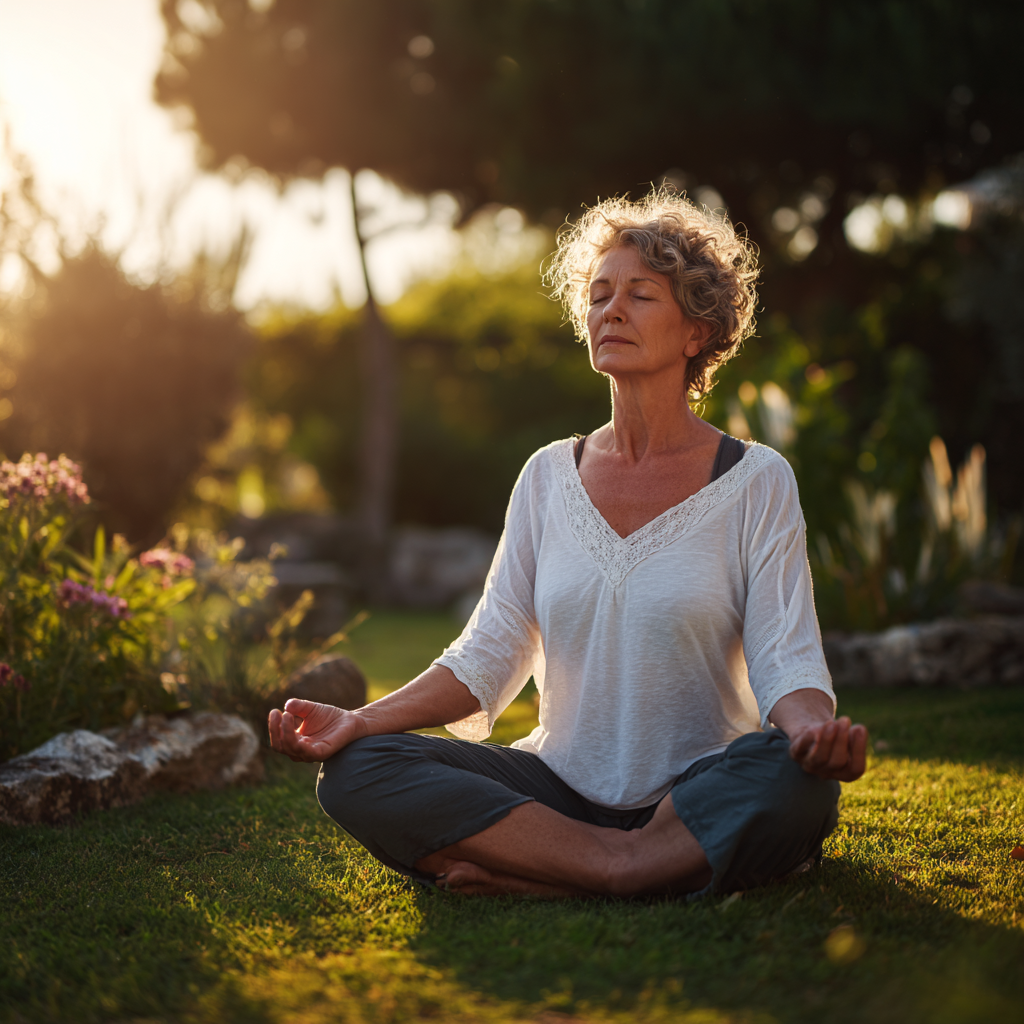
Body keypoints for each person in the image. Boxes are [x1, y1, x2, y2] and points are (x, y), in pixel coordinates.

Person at [268, 189, 869, 898]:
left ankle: (561, 875)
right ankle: (627, 869)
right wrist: (358, 721)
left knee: (792, 783)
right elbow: (489, 652)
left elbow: (786, 657)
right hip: (555, 789)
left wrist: (810, 738)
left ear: (696, 333)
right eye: (599, 294)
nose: (610, 310)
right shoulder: (549, 475)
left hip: (696, 786)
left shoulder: (756, 480)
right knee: (358, 771)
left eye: (640, 295)